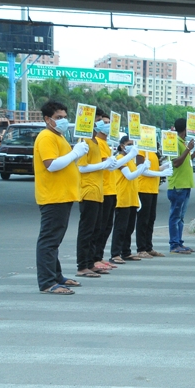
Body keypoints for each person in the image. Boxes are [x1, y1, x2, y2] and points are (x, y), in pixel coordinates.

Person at [33, 100, 88, 294]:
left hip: (62, 196)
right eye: (59, 118)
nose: (63, 120)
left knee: (54, 240)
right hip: (53, 196)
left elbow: (65, 162)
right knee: (49, 240)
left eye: (65, 117)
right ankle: (48, 282)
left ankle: (56, 276)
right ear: (48, 119)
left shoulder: (59, 136)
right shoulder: (47, 136)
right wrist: (75, 153)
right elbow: (51, 164)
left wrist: (76, 153)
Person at [75, 109, 116, 278]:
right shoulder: (84, 141)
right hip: (88, 190)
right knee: (87, 230)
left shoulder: (95, 143)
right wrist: (102, 165)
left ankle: (90, 262)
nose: (101, 123)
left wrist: (106, 163)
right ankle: (82, 265)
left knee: (95, 229)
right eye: (98, 120)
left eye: (102, 120)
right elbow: (82, 167)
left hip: (98, 191)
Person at [109, 137, 149, 264]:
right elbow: (130, 176)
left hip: (132, 197)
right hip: (122, 197)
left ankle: (126, 252)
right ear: (122, 146)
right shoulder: (121, 159)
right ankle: (115, 253)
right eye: (129, 144)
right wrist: (143, 168)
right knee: (120, 228)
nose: (132, 146)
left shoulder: (130, 160)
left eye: (133, 144)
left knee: (129, 228)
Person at [168, 117, 195, 254]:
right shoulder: (175, 142)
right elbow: (176, 162)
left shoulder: (183, 143)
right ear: (185, 129)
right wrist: (188, 149)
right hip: (178, 186)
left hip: (186, 185)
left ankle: (179, 243)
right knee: (175, 216)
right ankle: (174, 244)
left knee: (180, 217)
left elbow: (186, 160)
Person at [91, 111, 119, 272]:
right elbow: (104, 163)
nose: (106, 124)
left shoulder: (105, 143)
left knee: (107, 226)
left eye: (107, 122)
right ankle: (94, 258)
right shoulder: (96, 143)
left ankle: (99, 256)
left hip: (110, 189)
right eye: (102, 121)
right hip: (102, 190)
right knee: (99, 228)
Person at [136, 149, 173, 258]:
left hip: (153, 189)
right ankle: (141, 248)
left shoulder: (151, 152)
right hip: (143, 188)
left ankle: (148, 247)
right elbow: (142, 170)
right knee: (143, 219)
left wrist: (164, 167)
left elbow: (152, 169)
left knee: (151, 218)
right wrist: (160, 173)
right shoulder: (141, 150)